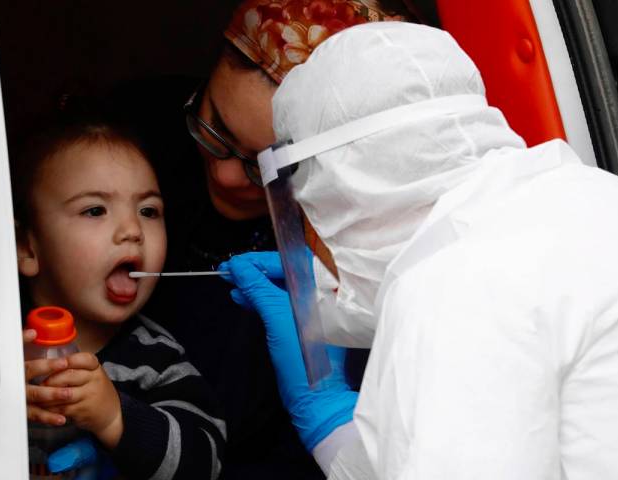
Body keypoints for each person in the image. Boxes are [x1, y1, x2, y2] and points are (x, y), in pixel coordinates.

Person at [221, 21, 618, 479]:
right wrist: (331, 427)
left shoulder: (449, 286)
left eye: (308, 212)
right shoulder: (594, 196)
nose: (313, 242)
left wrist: (322, 409)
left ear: (344, 191)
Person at [108, 1, 420, 478]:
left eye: (272, 167)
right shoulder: (135, 135)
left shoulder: (370, 267)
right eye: (216, 129)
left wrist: (330, 421)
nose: (229, 175)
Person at [12, 106, 226, 479]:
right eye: (95, 210)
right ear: (26, 248)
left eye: (148, 210)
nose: (132, 230)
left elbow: (206, 462)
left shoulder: (158, 360)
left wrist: (115, 416)